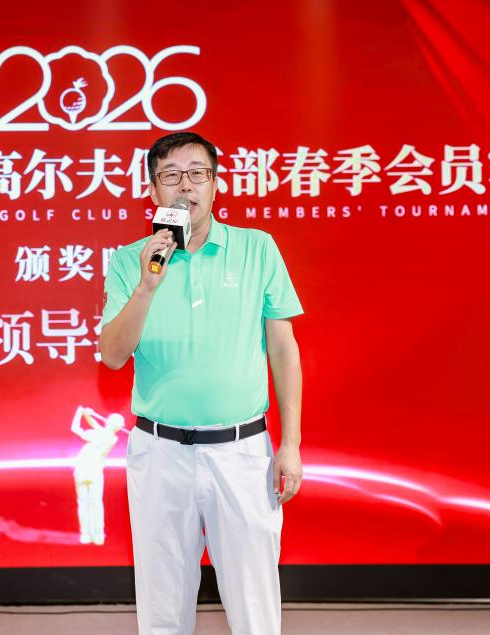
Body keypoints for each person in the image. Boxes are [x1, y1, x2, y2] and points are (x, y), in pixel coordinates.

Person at [99, 131, 304, 635]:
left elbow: (283, 349)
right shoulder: (130, 261)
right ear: (153, 190)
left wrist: (291, 444)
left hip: (243, 451)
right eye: (171, 175)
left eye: (197, 173)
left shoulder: (256, 248)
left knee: (255, 605)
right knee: (163, 605)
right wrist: (148, 284)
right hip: (159, 453)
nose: (185, 186)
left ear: (215, 184)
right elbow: (112, 355)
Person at [70, 405, 126, 545]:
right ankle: (95, 534)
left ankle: (89, 534)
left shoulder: (104, 436)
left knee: (85, 504)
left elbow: (76, 428)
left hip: (84, 471)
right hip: (91, 473)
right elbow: (95, 424)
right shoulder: (111, 437)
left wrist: (79, 413)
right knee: (94, 504)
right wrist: (87, 414)